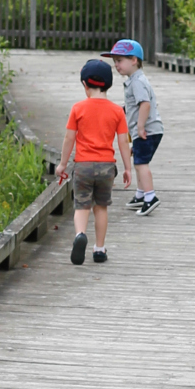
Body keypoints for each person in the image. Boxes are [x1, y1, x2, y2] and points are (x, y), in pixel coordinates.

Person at [56, 57, 131, 266]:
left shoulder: (78, 109)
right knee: (101, 207)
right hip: (107, 167)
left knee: (82, 206)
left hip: (83, 166)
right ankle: (99, 249)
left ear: (84, 84)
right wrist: (127, 168)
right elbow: (123, 141)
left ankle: (80, 235)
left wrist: (62, 164)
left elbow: (69, 138)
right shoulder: (117, 111)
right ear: (108, 84)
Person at [108, 38, 164, 216]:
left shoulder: (138, 81)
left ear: (134, 60)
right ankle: (140, 195)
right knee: (139, 161)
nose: (116, 65)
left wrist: (140, 127)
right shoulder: (134, 80)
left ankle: (150, 197)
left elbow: (144, 104)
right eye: (115, 62)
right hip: (149, 130)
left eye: (120, 61)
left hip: (147, 130)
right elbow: (134, 104)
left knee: (141, 164)